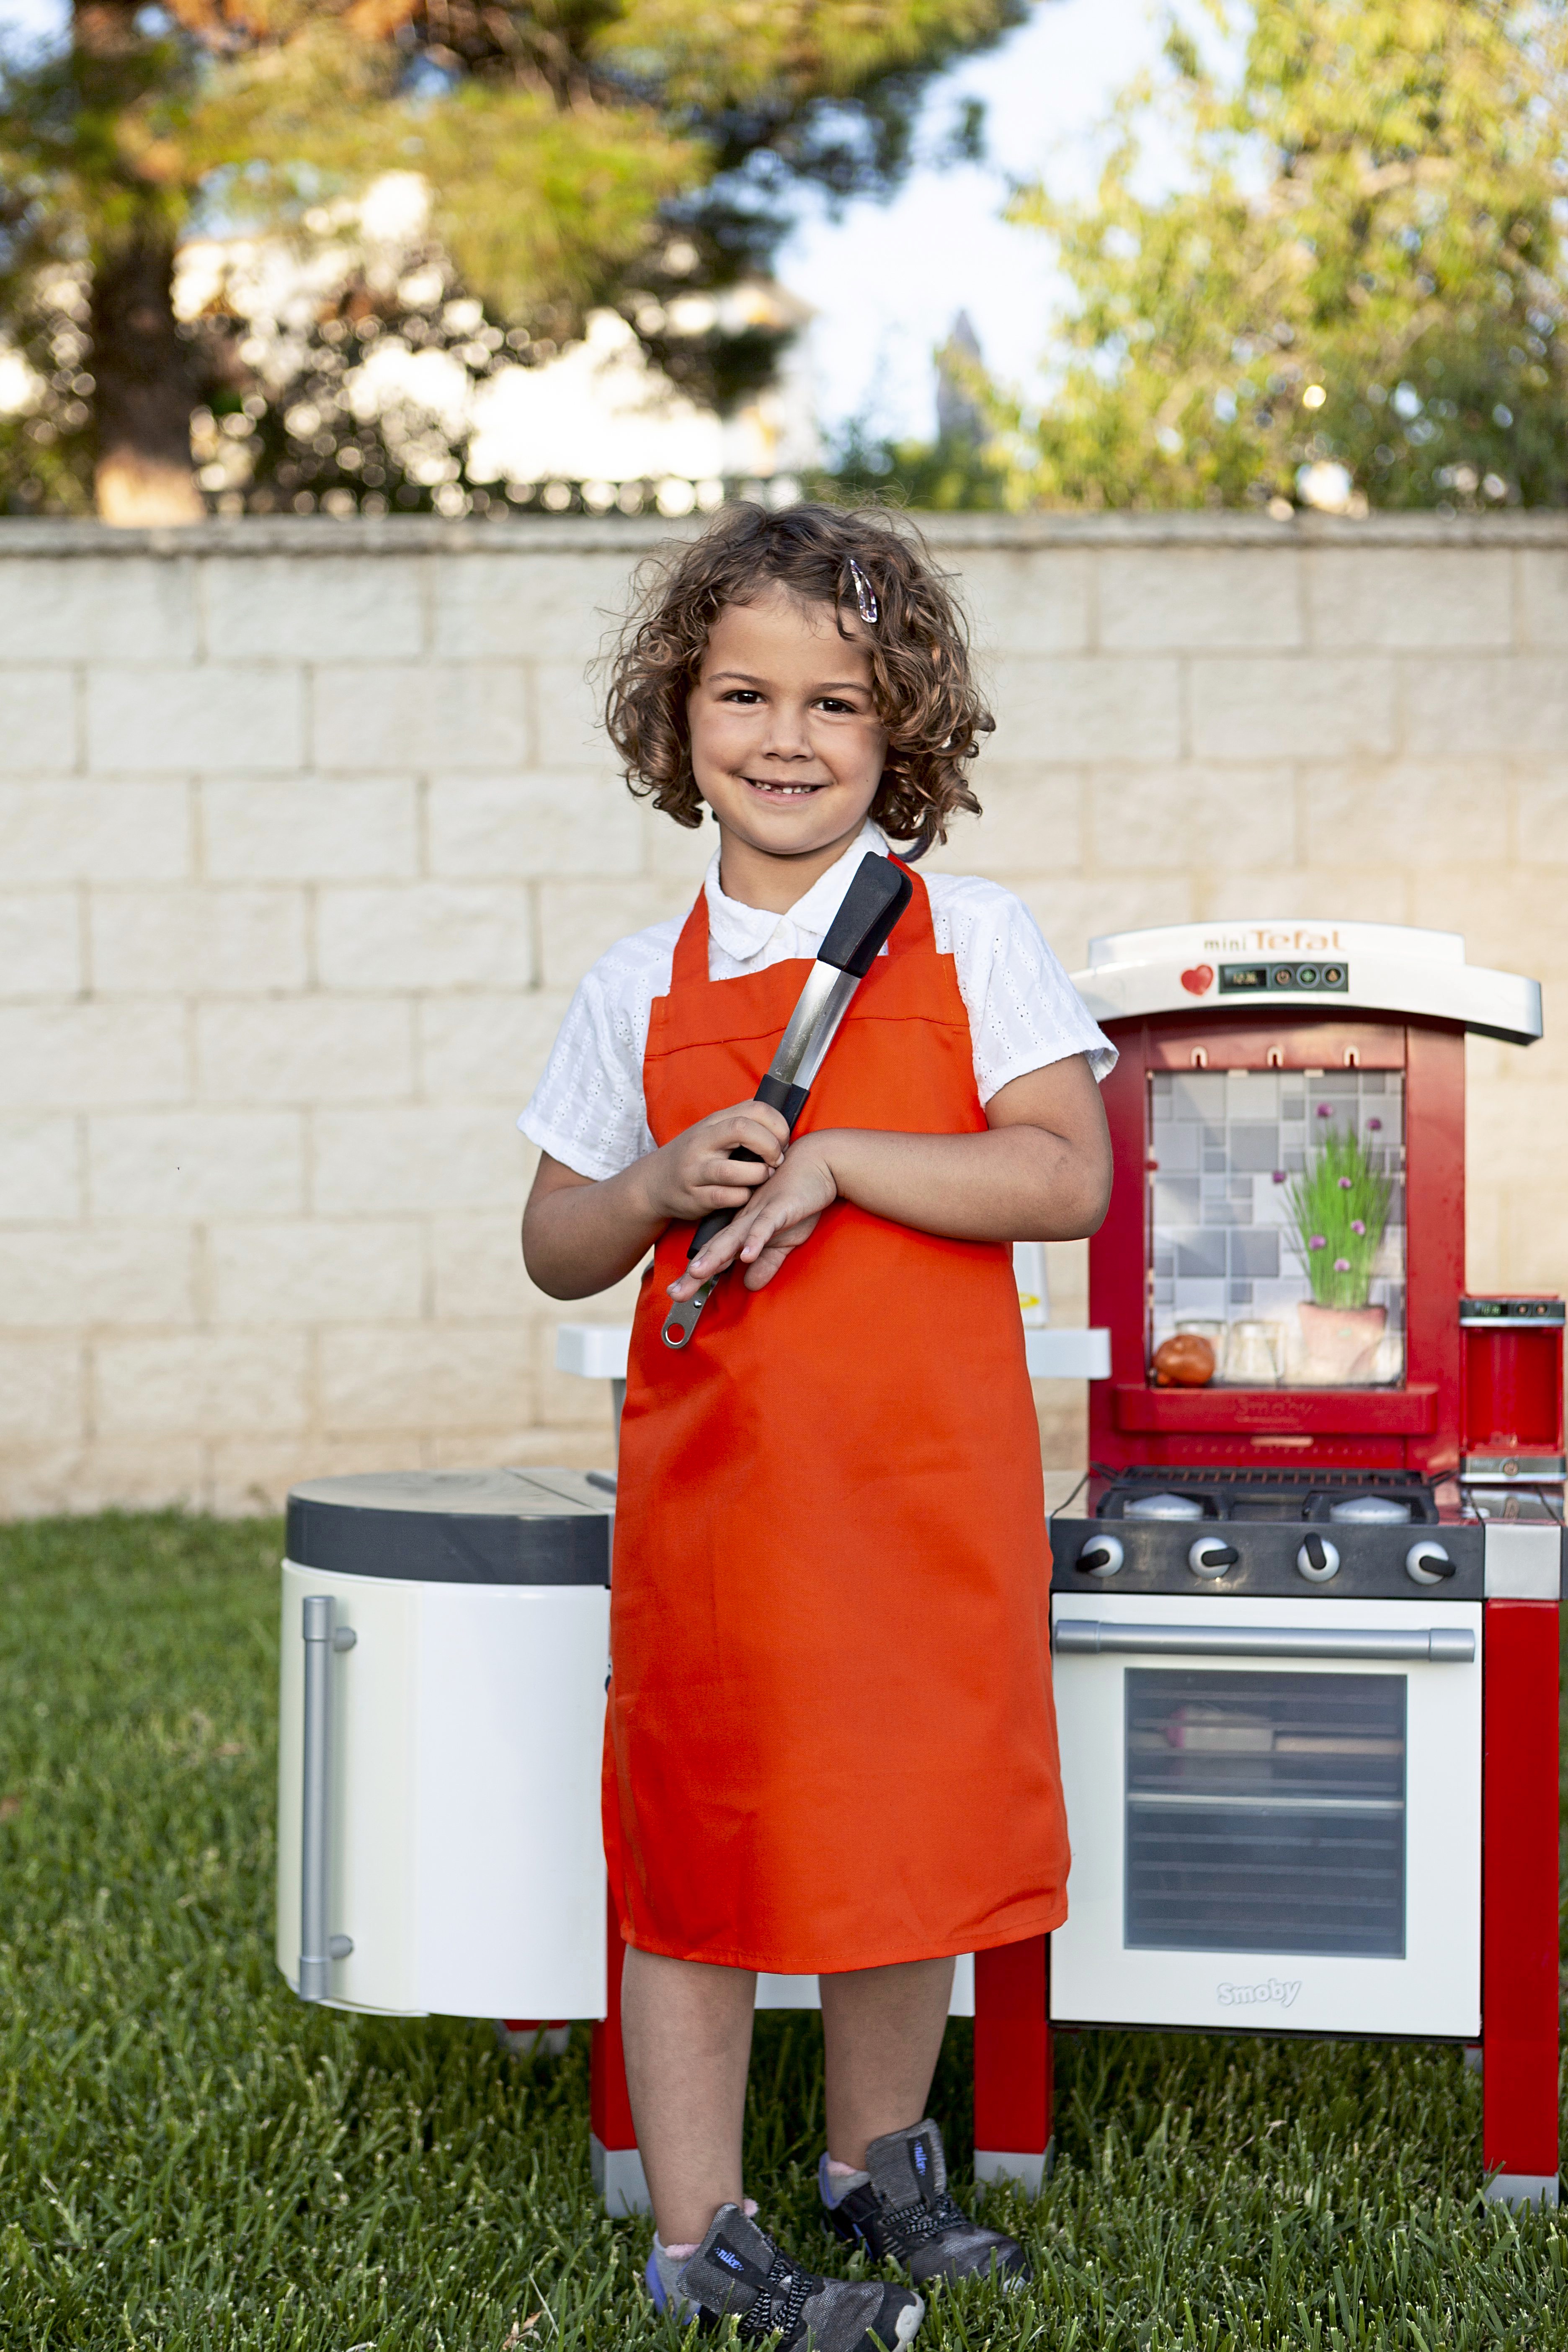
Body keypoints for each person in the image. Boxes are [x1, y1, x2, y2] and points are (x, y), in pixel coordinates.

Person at [520, 502, 1114, 2349]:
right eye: (745, 695)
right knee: (700, 1849)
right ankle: (701, 2238)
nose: (787, 739)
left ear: (899, 728)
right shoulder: (636, 985)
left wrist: (844, 1159)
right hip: (724, 1515)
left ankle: (876, 2163)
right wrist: (650, 1184)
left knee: (908, 1831)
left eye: (836, 703)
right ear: (677, 714)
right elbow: (554, 1243)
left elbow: (1066, 1172)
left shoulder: (975, 937)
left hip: (924, 1498)